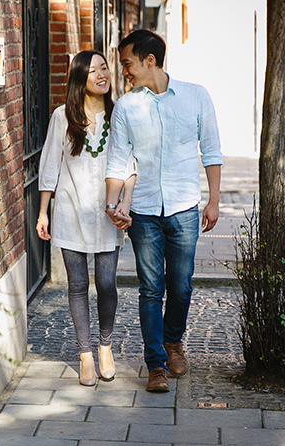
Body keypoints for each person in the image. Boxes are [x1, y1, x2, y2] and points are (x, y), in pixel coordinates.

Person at [105, 29, 222, 393]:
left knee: (181, 286)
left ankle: (174, 341)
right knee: (150, 288)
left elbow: (212, 150)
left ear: (149, 60)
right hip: (142, 211)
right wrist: (113, 205)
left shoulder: (195, 96)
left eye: (127, 63)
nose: (124, 71)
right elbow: (116, 162)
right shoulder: (126, 106)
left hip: (185, 207)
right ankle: (155, 363)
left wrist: (214, 200)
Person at [37, 50, 137, 386]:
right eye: (93, 70)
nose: (101, 75)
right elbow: (50, 165)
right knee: (78, 286)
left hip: (108, 215)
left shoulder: (119, 115)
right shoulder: (62, 117)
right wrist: (42, 212)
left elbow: (130, 164)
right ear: (80, 78)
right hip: (69, 210)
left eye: (104, 68)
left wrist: (124, 203)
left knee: (107, 284)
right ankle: (84, 356)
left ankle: (105, 346)